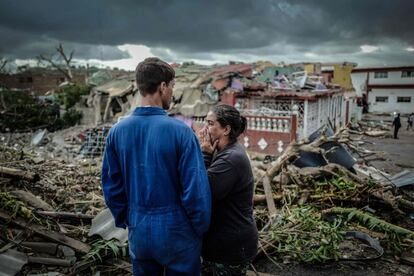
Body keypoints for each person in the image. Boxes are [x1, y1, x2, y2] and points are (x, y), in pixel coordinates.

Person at [101, 57, 211, 275]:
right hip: (177, 231)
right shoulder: (181, 132)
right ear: (162, 87)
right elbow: (196, 191)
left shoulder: (117, 131)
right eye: (172, 87)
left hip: (138, 228)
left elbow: (111, 186)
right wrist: (199, 228)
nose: (172, 93)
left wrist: (127, 219)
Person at [198, 104, 258, 276]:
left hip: (229, 247)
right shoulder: (225, 152)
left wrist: (205, 154)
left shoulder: (231, 158)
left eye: (210, 123)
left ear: (226, 129)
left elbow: (203, 192)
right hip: (228, 242)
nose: (204, 129)